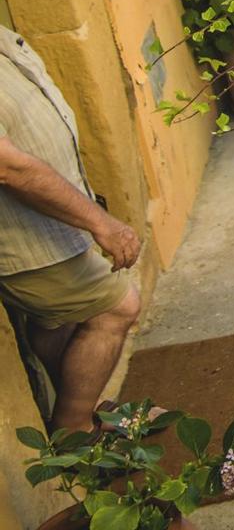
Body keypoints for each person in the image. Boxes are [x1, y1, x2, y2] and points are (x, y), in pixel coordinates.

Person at [0, 34, 143, 432]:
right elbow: (9, 168)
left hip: (56, 222)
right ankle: (75, 430)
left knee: (56, 320)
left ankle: (89, 408)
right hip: (26, 242)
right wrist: (101, 223)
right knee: (118, 307)